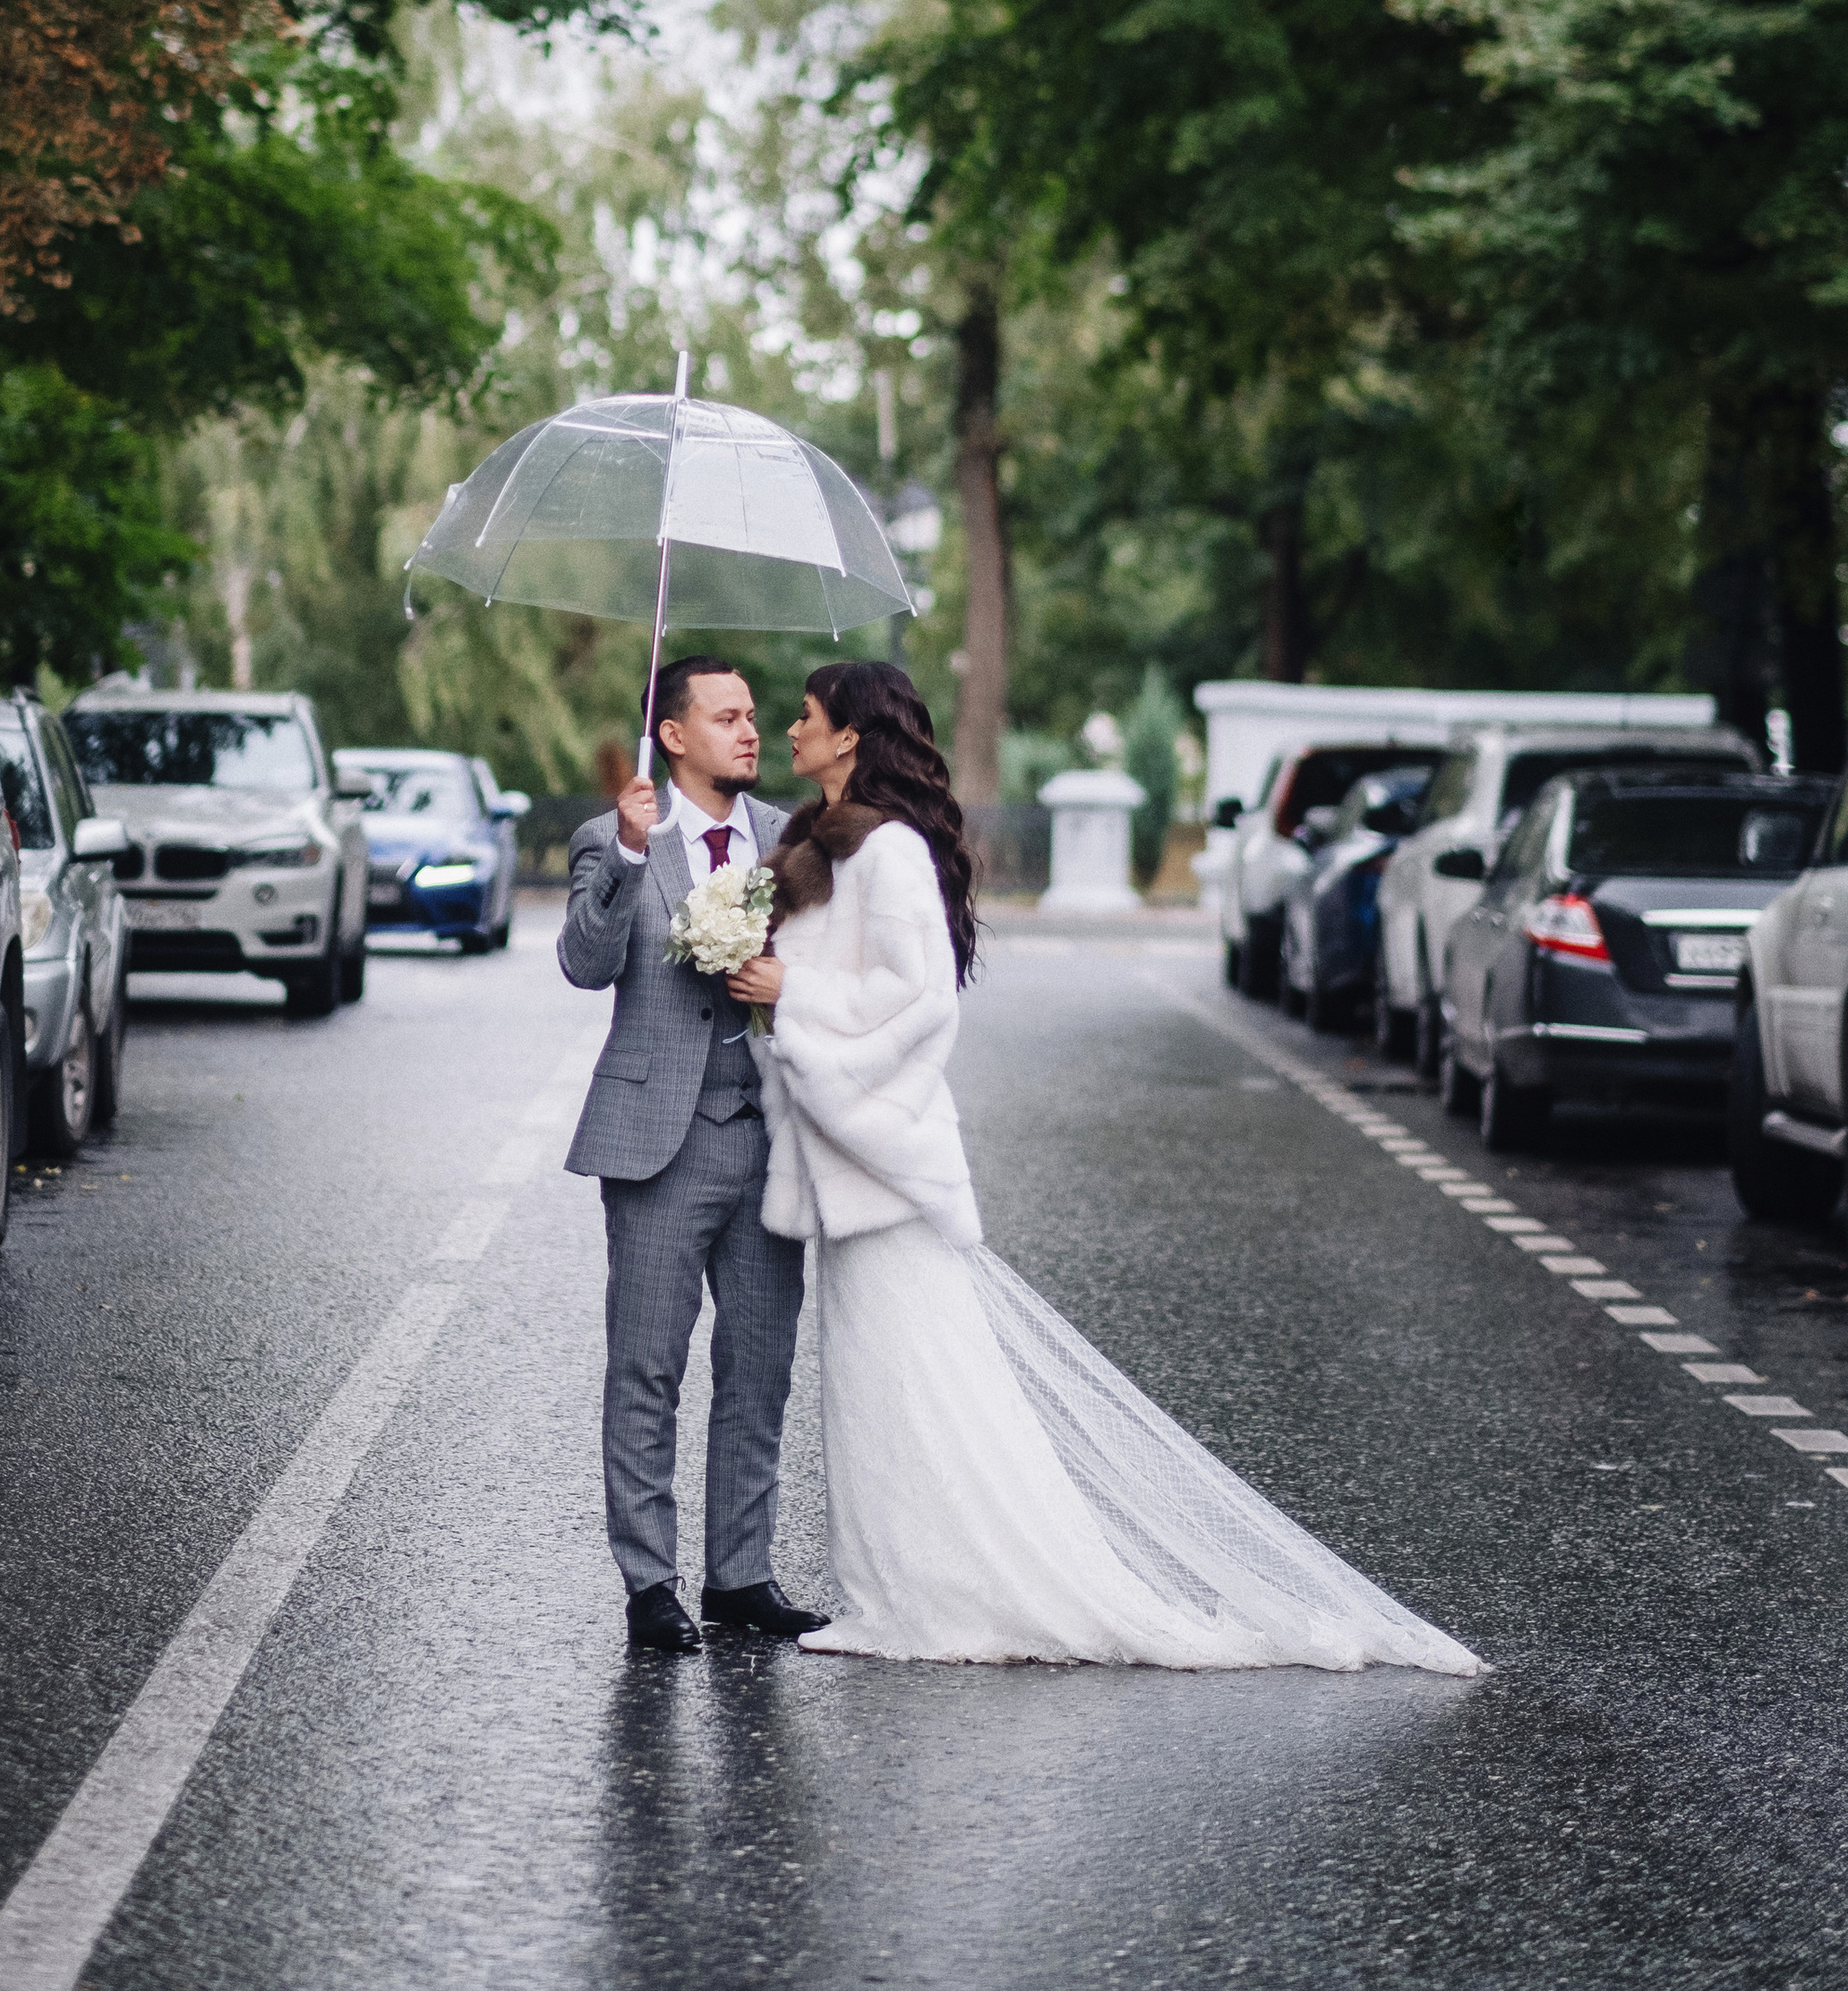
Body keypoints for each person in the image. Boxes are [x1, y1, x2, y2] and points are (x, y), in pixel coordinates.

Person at [726, 659, 1483, 1673]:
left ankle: (939, 1599)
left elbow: (921, 1004)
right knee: (874, 1387)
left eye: (804, 716)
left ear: (851, 735)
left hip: (885, 1157)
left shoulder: (892, 850)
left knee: (918, 1384)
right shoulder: (819, 845)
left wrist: (797, 997)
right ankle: (890, 1592)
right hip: (842, 1156)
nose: (787, 729)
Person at [559, 655, 826, 1654]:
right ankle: (649, 1583)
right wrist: (630, 855)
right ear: (673, 735)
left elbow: (831, 961)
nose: (751, 733)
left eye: (755, 716)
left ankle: (741, 1575)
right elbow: (584, 966)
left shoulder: (790, 840)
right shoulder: (615, 836)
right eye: (727, 718)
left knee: (759, 1369)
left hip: (768, 1139)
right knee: (647, 1370)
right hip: (654, 1144)